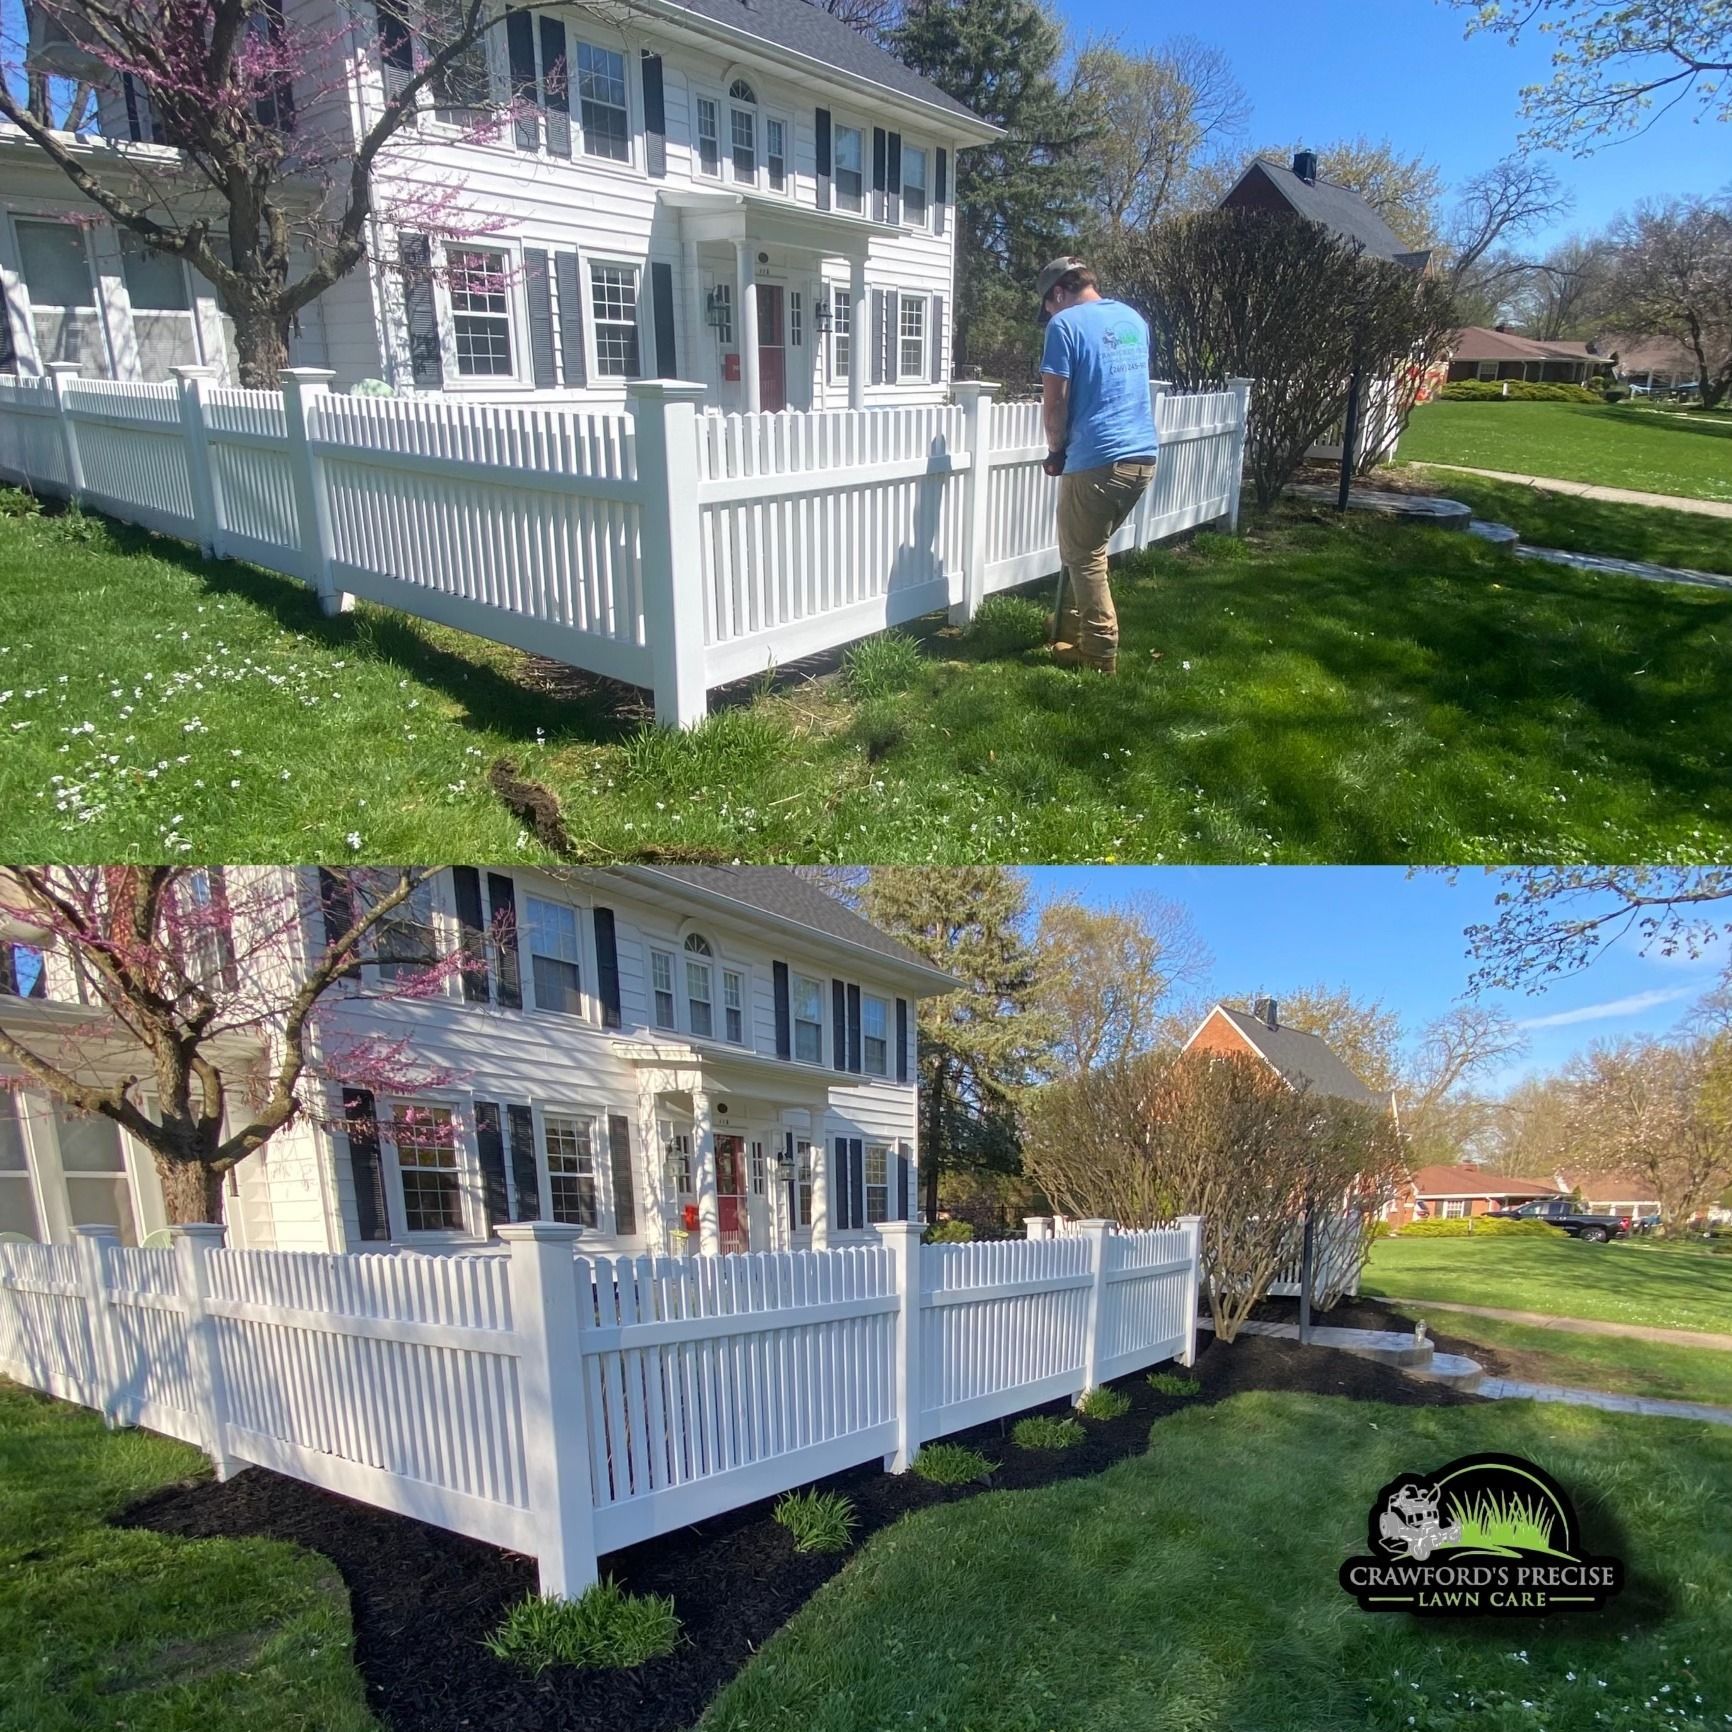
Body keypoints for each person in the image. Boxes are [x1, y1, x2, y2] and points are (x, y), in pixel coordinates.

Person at [1037, 257, 1159, 674]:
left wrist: (1055, 452)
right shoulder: (1132, 319)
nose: (1049, 315)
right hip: (1142, 457)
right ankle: (1069, 623)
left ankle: (1099, 652)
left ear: (1057, 293)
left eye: (1048, 306)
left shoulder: (1064, 325)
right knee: (1083, 546)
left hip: (1098, 458)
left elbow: (1055, 403)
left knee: (1084, 554)